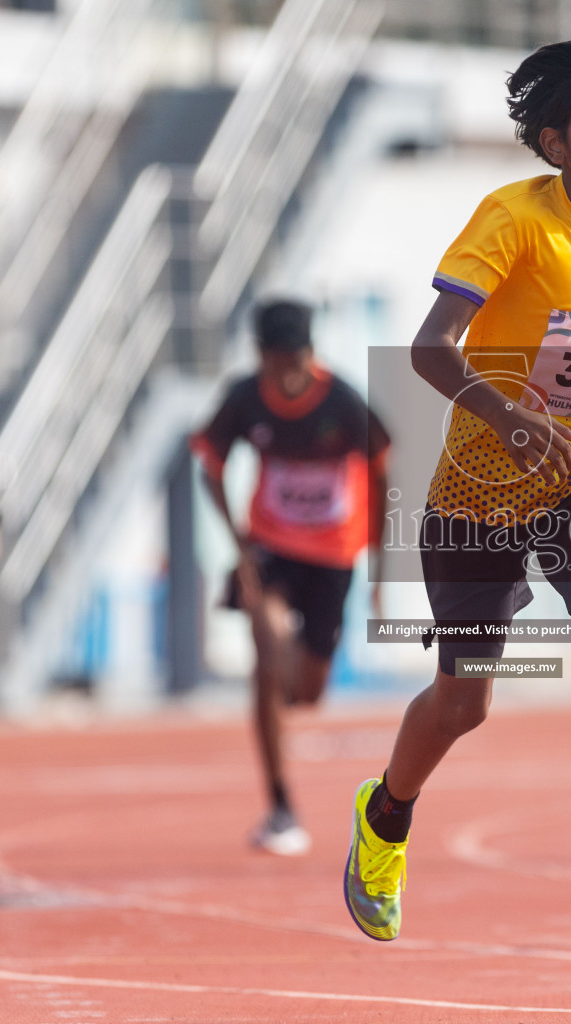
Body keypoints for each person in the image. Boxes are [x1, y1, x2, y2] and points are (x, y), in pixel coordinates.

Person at [343, 38, 571, 967]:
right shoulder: (511, 222)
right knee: (465, 704)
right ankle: (385, 817)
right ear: (554, 140)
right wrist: (500, 415)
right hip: (482, 485)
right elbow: (430, 348)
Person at [191, 300, 390, 856]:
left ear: (311, 353)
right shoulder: (246, 397)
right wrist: (238, 545)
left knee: (306, 691)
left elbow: (383, 468)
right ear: (261, 357)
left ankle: (280, 687)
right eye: (278, 364)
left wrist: (380, 566)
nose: (288, 376)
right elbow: (210, 459)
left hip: (333, 557)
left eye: (297, 361)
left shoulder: (344, 402)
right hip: (270, 548)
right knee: (266, 638)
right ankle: (280, 804)